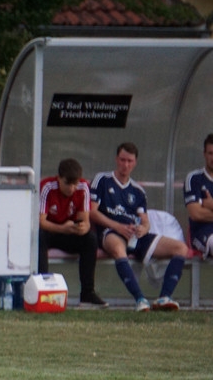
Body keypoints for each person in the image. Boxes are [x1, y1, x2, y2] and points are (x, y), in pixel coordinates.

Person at [89, 142, 189, 312]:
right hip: (110, 231)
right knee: (118, 249)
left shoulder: (138, 190)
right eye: (122, 160)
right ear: (116, 159)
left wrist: (143, 228)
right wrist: (118, 226)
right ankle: (140, 299)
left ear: (135, 163)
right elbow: (92, 212)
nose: (125, 165)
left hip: (134, 234)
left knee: (181, 248)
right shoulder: (102, 180)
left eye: (129, 161)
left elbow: (145, 219)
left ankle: (164, 297)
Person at [38, 158, 107, 307]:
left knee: (90, 239)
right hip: (50, 231)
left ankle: (87, 294)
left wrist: (82, 228)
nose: (71, 188)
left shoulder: (83, 187)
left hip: (69, 231)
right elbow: (41, 221)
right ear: (59, 179)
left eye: (74, 184)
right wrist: (62, 228)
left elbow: (85, 221)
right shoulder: (47, 187)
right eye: (67, 183)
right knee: (39, 236)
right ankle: (43, 288)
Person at [183, 133, 213, 259]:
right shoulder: (194, 178)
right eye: (211, 153)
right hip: (202, 232)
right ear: (204, 154)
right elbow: (196, 214)